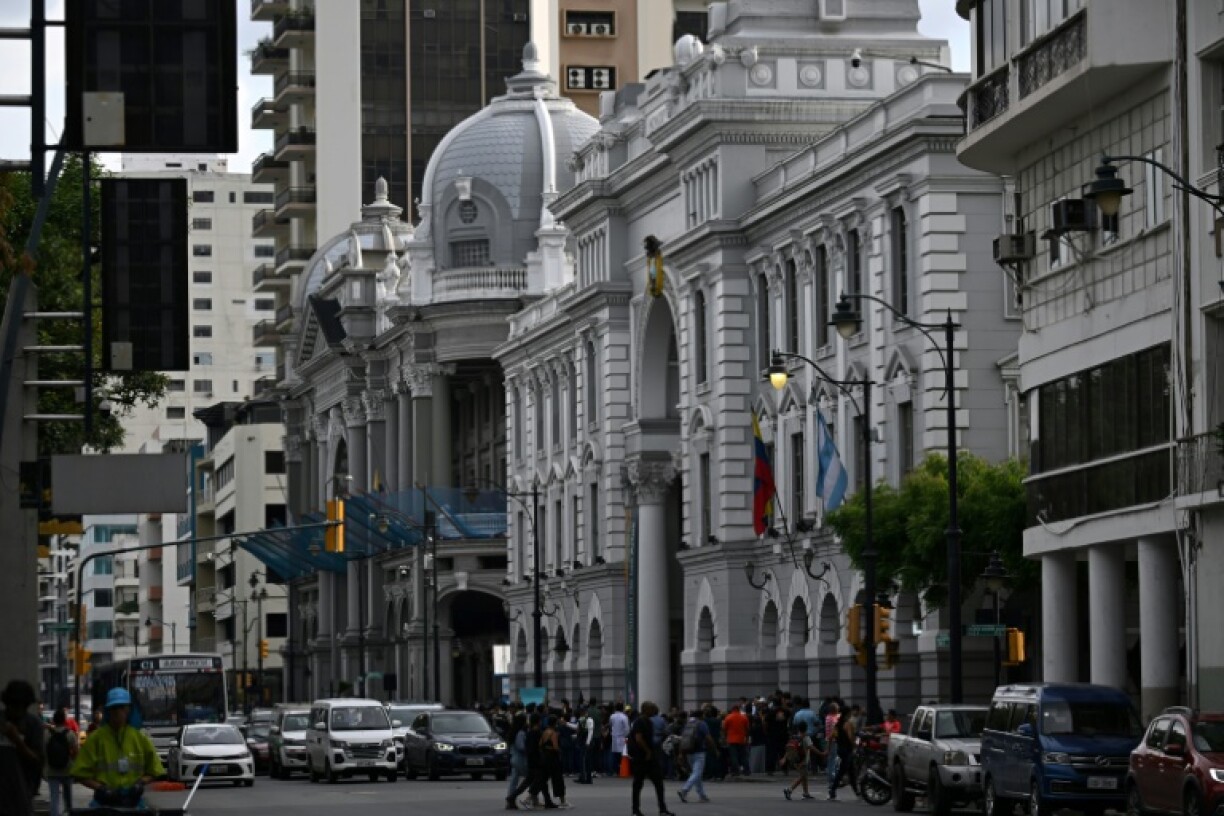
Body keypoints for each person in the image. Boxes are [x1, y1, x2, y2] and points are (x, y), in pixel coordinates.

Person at [71, 687, 165, 810]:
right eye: (114, 708)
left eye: (121, 707)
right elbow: (79, 774)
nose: (117, 712)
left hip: (134, 803)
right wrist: (101, 788)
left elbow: (156, 770)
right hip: (104, 804)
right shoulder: (96, 739)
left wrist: (140, 783)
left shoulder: (140, 738)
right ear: (108, 711)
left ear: (129, 710)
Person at [1, 680, 45, 816]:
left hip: (20, 798)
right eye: (14, 706)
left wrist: (17, 741)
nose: (18, 711)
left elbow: (38, 762)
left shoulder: (33, 725)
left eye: (23, 707)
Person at [629, 702, 673, 816]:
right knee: (638, 784)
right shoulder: (639, 722)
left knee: (658, 783)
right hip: (641, 757)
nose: (654, 710)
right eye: (651, 709)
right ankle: (635, 809)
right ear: (645, 709)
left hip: (649, 758)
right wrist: (648, 751)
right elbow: (638, 738)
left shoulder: (648, 721)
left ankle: (662, 809)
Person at [44, 708, 78, 816]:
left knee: (54, 798)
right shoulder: (70, 734)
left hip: (52, 770)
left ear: (54, 720)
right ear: (64, 720)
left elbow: (43, 751)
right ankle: (69, 812)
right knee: (68, 798)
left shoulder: (47, 734)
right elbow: (76, 752)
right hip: (67, 769)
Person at [675, 710, 713, 804]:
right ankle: (684, 790)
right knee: (697, 773)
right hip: (699, 752)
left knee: (696, 774)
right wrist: (714, 749)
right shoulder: (702, 724)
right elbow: (708, 738)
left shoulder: (687, 724)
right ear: (700, 716)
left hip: (688, 751)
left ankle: (702, 795)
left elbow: (682, 739)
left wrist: (680, 753)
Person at [782, 720, 821, 800]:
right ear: (806, 728)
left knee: (804, 776)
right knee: (802, 776)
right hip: (803, 761)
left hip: (796, 760)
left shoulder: (795, 737)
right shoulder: (806, 738)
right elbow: (811, 747)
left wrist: (784, 758)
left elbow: (789, 749)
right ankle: (789, 789)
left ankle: (806, 793)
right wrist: (822, 753)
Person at [540, 715, 569, 808]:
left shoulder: (544, 732)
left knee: (543, 778)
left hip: (545, 757)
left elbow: (540, 744)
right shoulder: (553, 733)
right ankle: (562, 800)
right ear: (555, 723)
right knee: (558, 779)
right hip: (553, 758)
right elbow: (556, 747)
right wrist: (560, 750)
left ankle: (532, 797)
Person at [506, 712, 528, 810]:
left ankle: (511, 799)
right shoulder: (520, 733)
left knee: (514, 781)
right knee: (531, 778)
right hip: (521, 759)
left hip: (514, 758)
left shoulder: (512, 732)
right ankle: (529, 797)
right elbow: (521, 747)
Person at [722, 704, 749, 778]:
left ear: (732, 709)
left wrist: (725, 737)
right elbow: (747, 729)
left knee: (734, 756)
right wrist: (746, 738)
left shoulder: (728, 717)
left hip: (731, 739)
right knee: (743, 756)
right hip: (741, 739)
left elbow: (724, 729)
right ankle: (747, 770)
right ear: (738, 709)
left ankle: (736, 772)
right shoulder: (744, 717)